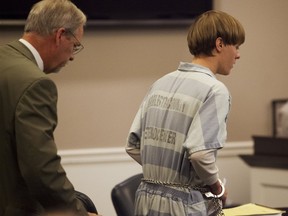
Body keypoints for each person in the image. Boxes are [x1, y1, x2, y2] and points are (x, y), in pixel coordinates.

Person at [126, 10, 245, 215]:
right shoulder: (215, 90)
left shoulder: (160, 84)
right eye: (236, 46)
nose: (238, 54)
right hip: (183, 206)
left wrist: (164, 173)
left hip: (145, 201)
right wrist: (217, 187)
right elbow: (200, 154)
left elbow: (133, 145)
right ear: (219, 44)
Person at [0, 0, 98, 215]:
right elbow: (41, 169)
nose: (72, 56)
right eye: (74, 45)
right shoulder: (36, 83)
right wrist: (78, 213)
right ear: (60, 35)